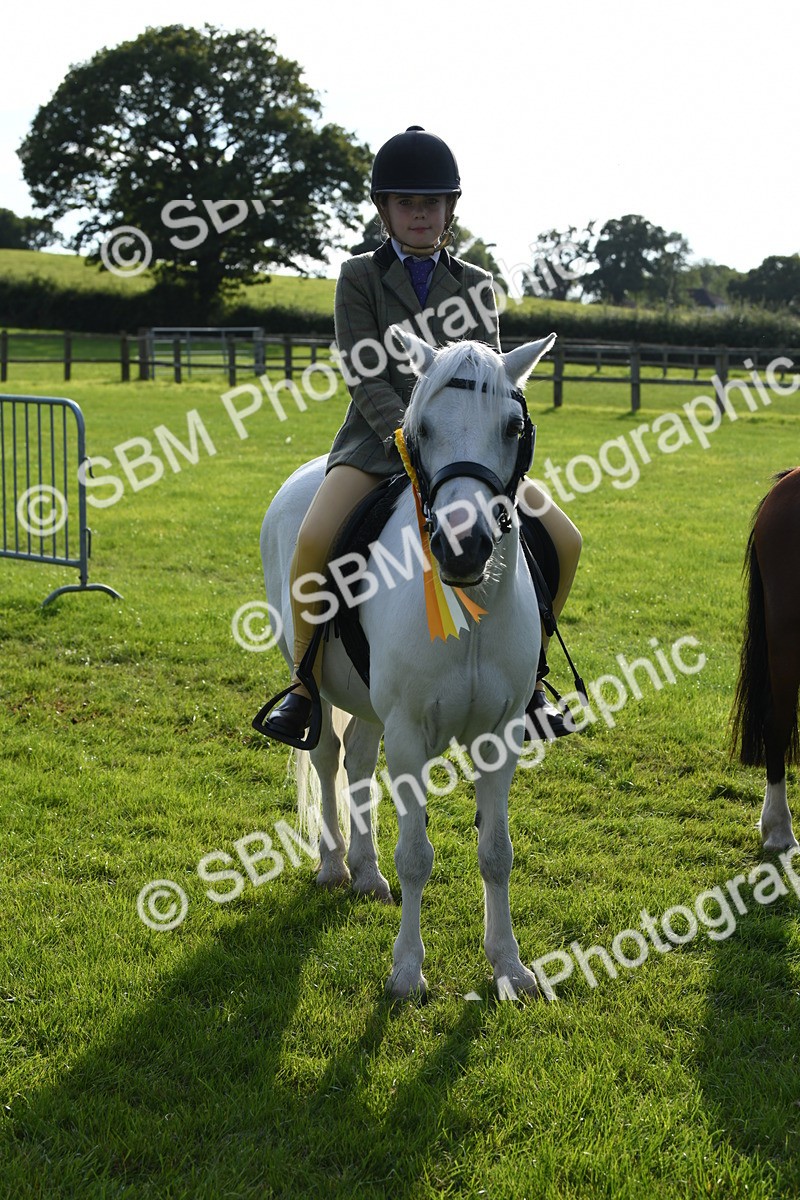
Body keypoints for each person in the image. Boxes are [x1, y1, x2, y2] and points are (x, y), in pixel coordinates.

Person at [259, 126, 581, 747]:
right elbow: (361, 367)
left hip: (464, 454)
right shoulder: (358, 277)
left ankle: (533, 674)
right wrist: (408, 438)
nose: (418, 214)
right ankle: (302, 685)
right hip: (376, 442)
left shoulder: (478, 283)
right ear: (385, 210)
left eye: (430, 204)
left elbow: (485, 376)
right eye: (406, 203)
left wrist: (463, 444)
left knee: (565, 539)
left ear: (449, 211)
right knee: (313, 540)